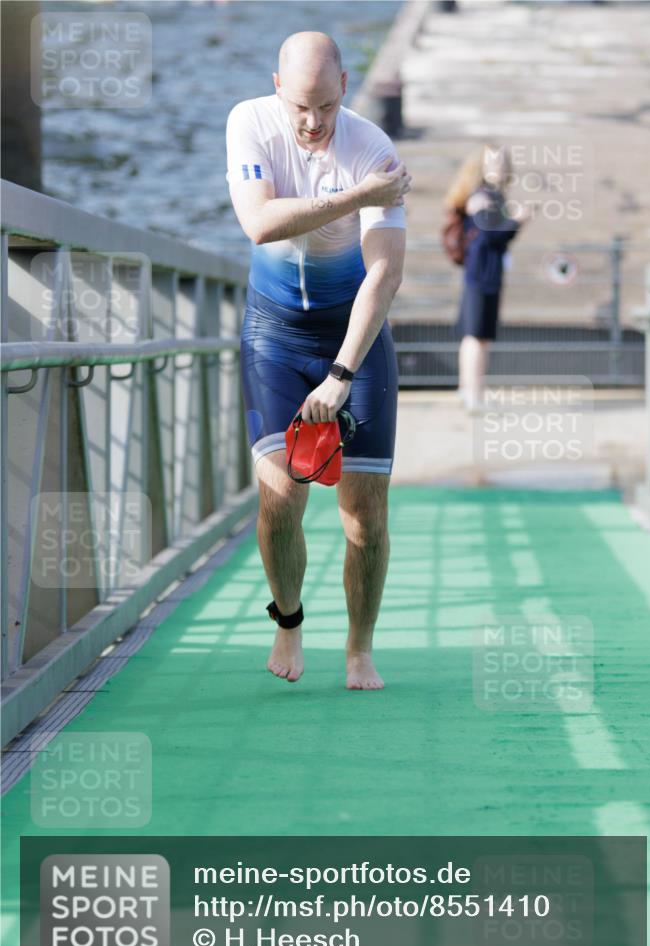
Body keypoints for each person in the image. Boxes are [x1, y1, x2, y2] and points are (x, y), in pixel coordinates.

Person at [225, 31, 411, 690]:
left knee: (365, 516)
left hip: (352, 337)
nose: (313, 122)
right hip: (274, 334)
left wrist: (342, 373)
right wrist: (358, 197)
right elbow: (259, 223)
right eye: (301, 107)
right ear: (278, 88)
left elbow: (384, 275)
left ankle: (359, 648)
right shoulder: (249, 122)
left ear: (344, 89)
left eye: (327, 106)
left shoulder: (373, 150)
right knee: (280, 498)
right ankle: (289, 621)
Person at [443, 145, 522, 412]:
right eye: (494, 163)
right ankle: (472, 395)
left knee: (480, 336)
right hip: (480, 274)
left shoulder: (493, 195)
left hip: (485, 273)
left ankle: (469, 391)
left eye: (502, 163)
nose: (499, 168)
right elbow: (491, 236)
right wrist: (517, 221)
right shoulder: (482, 196)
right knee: (475, 336)